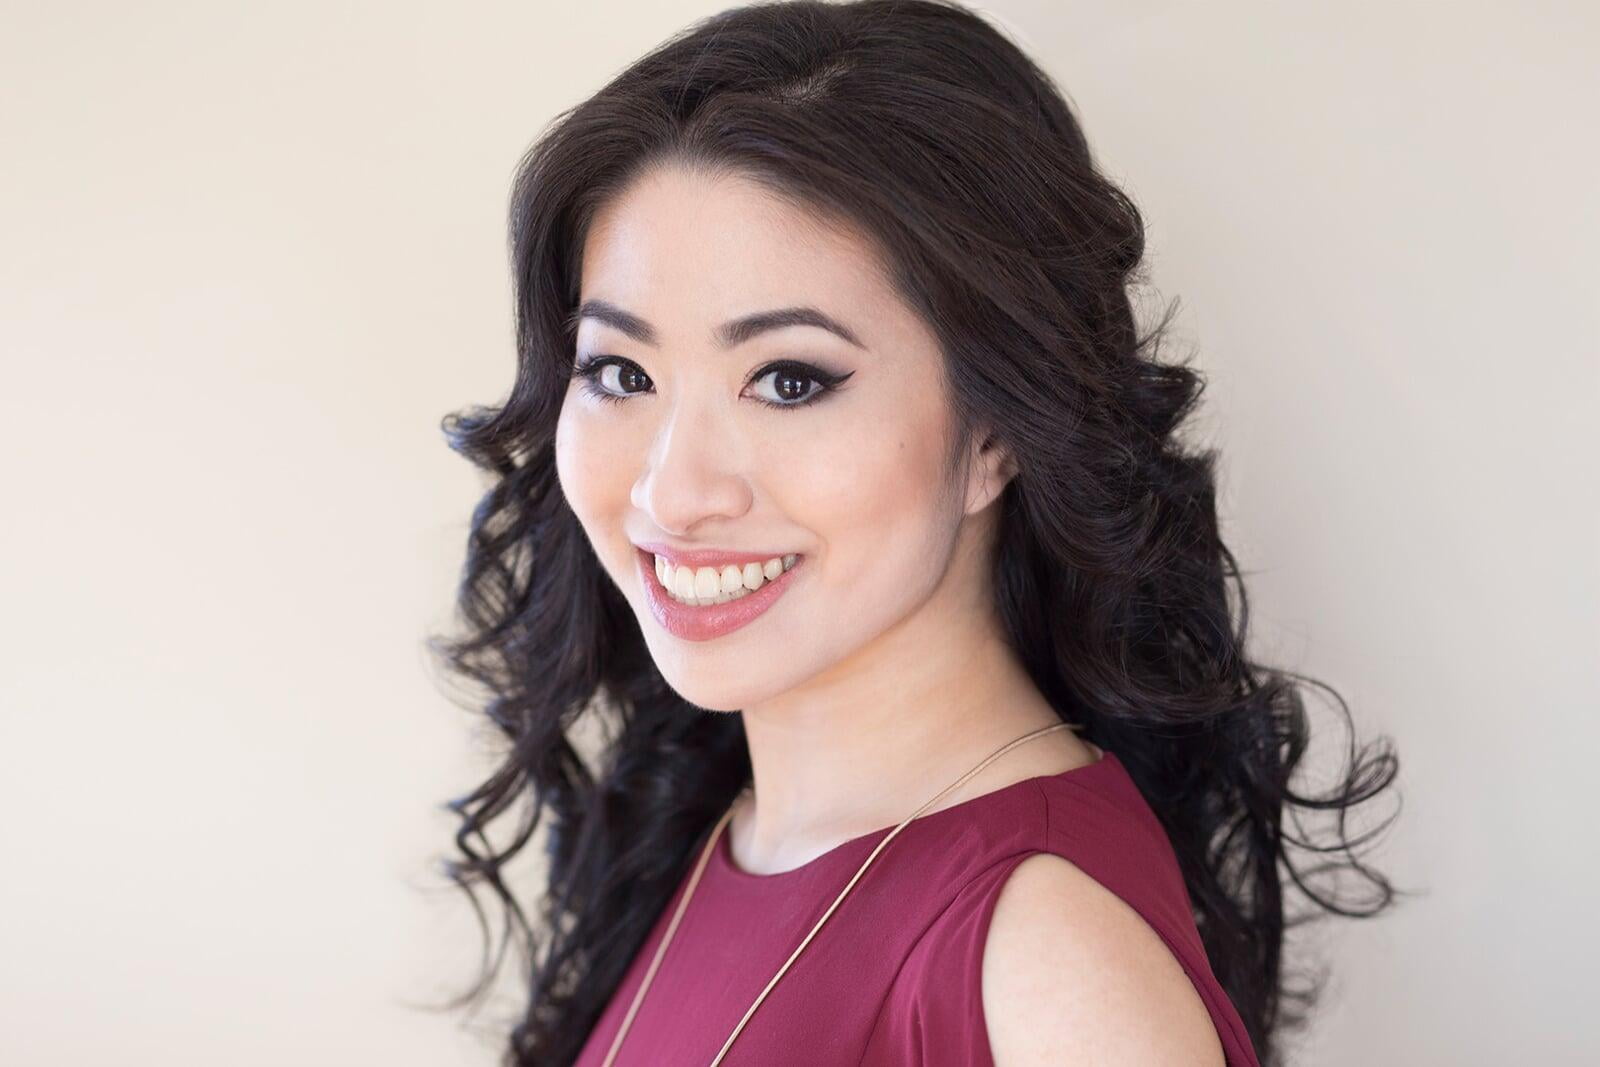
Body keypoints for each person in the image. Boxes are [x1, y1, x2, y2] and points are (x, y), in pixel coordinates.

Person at [428, 2, 1402, 1064]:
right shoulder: (716, 831)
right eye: (622, 372)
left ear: (996, 429)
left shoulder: (1047, 956)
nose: (674, 490)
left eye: (788, 379)